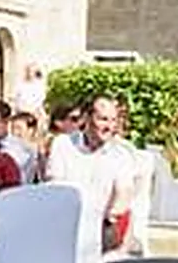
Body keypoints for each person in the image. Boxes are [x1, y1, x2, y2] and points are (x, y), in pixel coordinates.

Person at [45, 95, 139, 259]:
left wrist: (107, 218)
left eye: (113, 120)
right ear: (87, 118)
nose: (109, 126)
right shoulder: (63, 145)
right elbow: (54, 187)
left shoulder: (121, 155)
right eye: (103, 119)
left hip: (102, 227)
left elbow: (124, 193)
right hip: (65, 224)